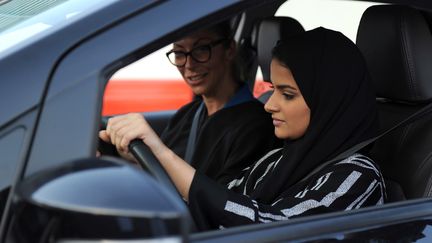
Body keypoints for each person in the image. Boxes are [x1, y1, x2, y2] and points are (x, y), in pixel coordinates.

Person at [100, 27, 386, 231]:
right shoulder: (275, 161)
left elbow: (275, 229)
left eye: (287, 94)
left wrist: (162, 155)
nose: (268, 105)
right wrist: (138, 165)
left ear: (328, 101)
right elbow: (214, 200)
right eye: (272, 89)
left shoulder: (357, 177)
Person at [100, 20, 280, 185]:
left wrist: (159, 152)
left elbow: (223, 205)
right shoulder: (187, 114)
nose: (189, 64)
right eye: (179, 53)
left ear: (229, 50)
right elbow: (163, 174)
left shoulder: (257, 127)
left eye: (201, 49)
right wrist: (131, 159)